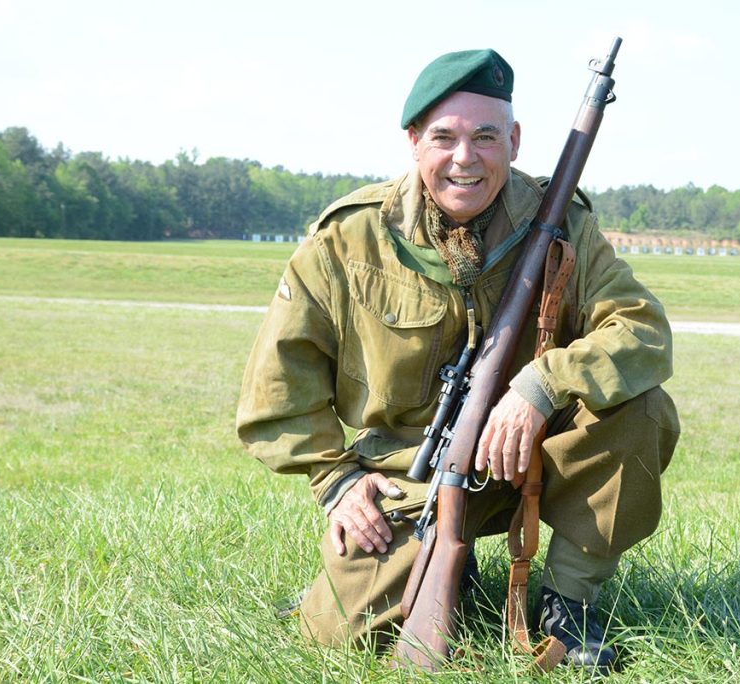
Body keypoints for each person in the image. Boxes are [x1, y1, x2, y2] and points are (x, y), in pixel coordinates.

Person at [236, 48, 679, 672]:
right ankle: (451, 564)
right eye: (444, 137)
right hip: (408, 476)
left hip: (529, 456)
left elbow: (643, 330)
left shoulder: (562, 224)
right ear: (414, 142)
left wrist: (540, 385)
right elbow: (276, 391)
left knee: (642, 406)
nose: (464, 158)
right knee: (339, 637)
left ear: (515, 142)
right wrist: (335, 481)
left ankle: (568, 604)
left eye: (485, 137)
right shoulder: (348, 238)